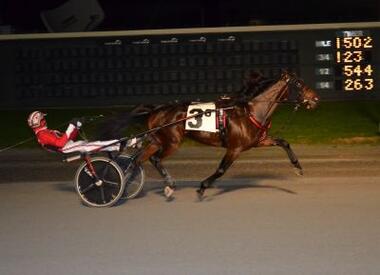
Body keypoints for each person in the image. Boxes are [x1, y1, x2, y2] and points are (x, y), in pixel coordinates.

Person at [27, 111, 136, 153]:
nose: (45, 120)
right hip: (66, 148)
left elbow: (69, 138)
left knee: (97, 144)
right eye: (43, 119)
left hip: (71, 145)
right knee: (95, 144)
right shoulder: (43, 135)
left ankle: (120, 145)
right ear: (40, 122)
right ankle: (124, 142)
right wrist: (71, 126)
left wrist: (76, 127)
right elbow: (60, 143)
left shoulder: (45, 132)